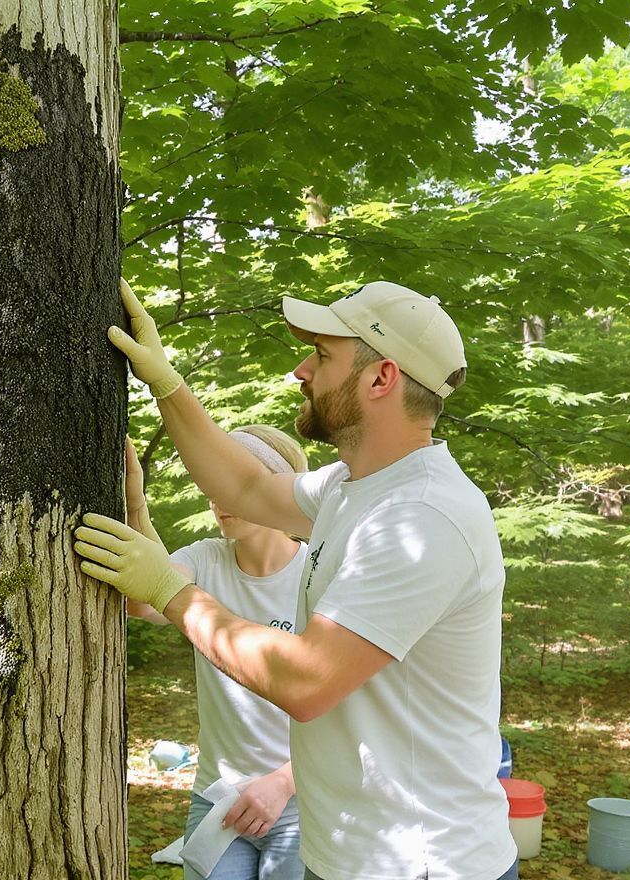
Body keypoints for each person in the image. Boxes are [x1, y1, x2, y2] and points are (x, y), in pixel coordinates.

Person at [75, 280, 518, 880]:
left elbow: (306, 682)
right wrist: (167, 384)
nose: (300, 370)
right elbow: (247, 487)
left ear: (380, 378)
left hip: (421, 864)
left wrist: (170, 590)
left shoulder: (422, 515)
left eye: (323, 355)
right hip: (346, 855)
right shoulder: (351, 488)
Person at [125, 427, 308, 880]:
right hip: (218, 797)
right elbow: (144, 597)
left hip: (301, 801)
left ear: (275, 485)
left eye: (234, 480)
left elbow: (346, 700)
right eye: (212, 484)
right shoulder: (207, 559)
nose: (217, 496)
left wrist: (283, 783)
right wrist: (135, 503)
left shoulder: (318, 573)